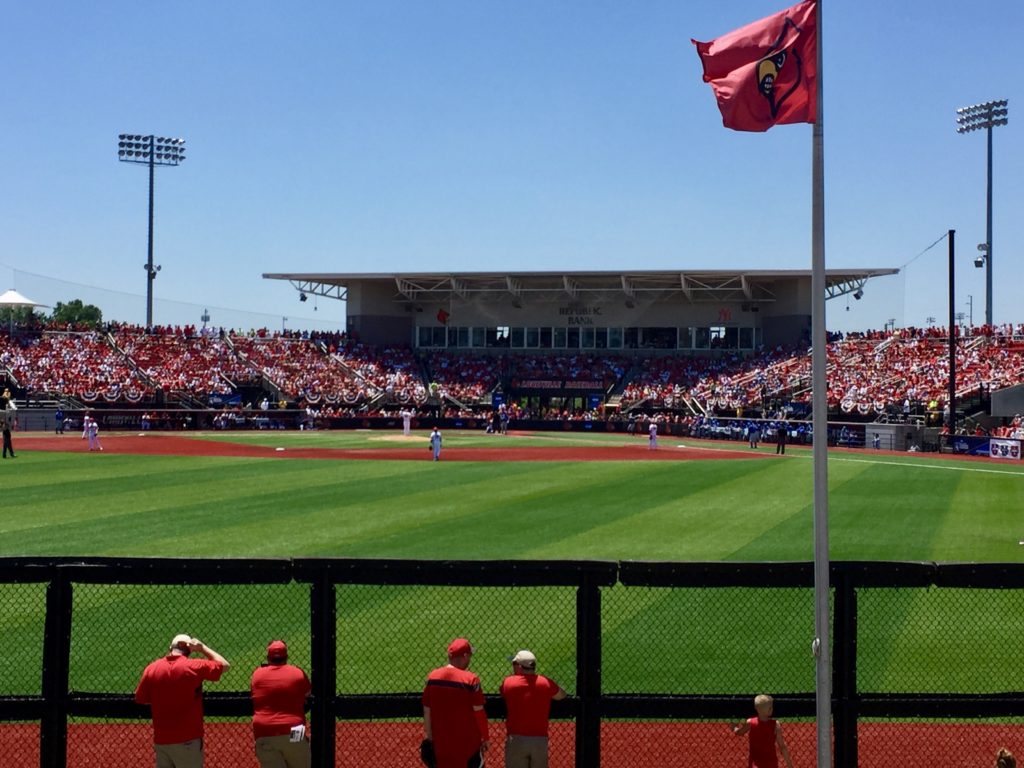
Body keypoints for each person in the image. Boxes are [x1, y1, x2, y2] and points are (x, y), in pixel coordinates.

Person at [135, 634, 230, 768]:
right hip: (188, 741)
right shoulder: (194, 666)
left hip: (162, 741)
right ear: (189, 650)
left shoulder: (152, 669)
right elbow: (224, 665)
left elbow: (141, 698)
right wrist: (202, 648)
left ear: (170, 648)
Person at [422, 637, 489, 768]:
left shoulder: (433, 677)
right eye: (469, 655)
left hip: (441, 745)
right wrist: (485, 737)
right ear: (464, 656)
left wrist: (430, 738)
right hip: (468, 746)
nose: (470, 659)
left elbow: (427, 710)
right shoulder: (471, 679)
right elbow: (479, 712)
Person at [500, 649, 567, 768]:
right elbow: (561, 695)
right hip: (540, 740)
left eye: (514, 664)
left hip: (516, 739)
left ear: (519, 666)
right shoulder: (545, 682)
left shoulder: (509, 682)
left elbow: (502, 692)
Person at [251, 639, 311, 768]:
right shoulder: (297, 673)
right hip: (295, 728)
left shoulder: (257, 674)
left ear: (268, 658)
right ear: (287, 656)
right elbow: (307, 695)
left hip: (264, 730)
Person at [732, 694, 794, 768]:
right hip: (772, 764)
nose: (772, 709)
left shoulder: (751, 722)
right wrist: (789, 765)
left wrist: (734, 727)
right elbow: (782, 746)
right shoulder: (775, 725)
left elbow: (740, 732)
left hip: (755, 765)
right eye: (770, 708)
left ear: (756, 708)